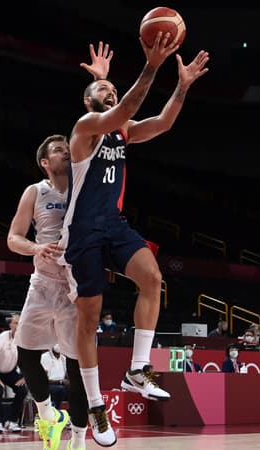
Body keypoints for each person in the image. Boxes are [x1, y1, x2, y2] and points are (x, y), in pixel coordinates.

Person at [57, 36, 209, 431]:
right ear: (89, 102)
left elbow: (161, 123)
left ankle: (138, 369)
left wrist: (182, 86)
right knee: (88, 318)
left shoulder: (122, 132)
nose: (110, 92)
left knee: (153, 277)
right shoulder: (84, 127)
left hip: (114, 224)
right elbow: (127, 106)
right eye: (103, 90)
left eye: (112, 88)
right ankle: (93, 405)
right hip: (82, 232)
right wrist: (152, 65)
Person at [6, 43, 117, 448]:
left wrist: (97, 83)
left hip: (75, 284)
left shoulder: (84, 182)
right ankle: (47, 414)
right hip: (43, 279)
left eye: (65, 148)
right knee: (25, 354)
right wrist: (35, 248)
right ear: (43, 162)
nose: (64, 152)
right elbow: (13, 238)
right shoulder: (34, 191)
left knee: (76, 363)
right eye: (57, 150)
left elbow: (104, 126)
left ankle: (80, 435)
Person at [0, 314, 26, 434]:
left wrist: (24, 377)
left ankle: (12, 421)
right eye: (15, 323)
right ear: (10, 325)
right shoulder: (3, 336)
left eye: (20, 323)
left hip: (10, 372)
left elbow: (29, 360)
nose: (18, 325)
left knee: (22, 390)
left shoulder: (23, 339)